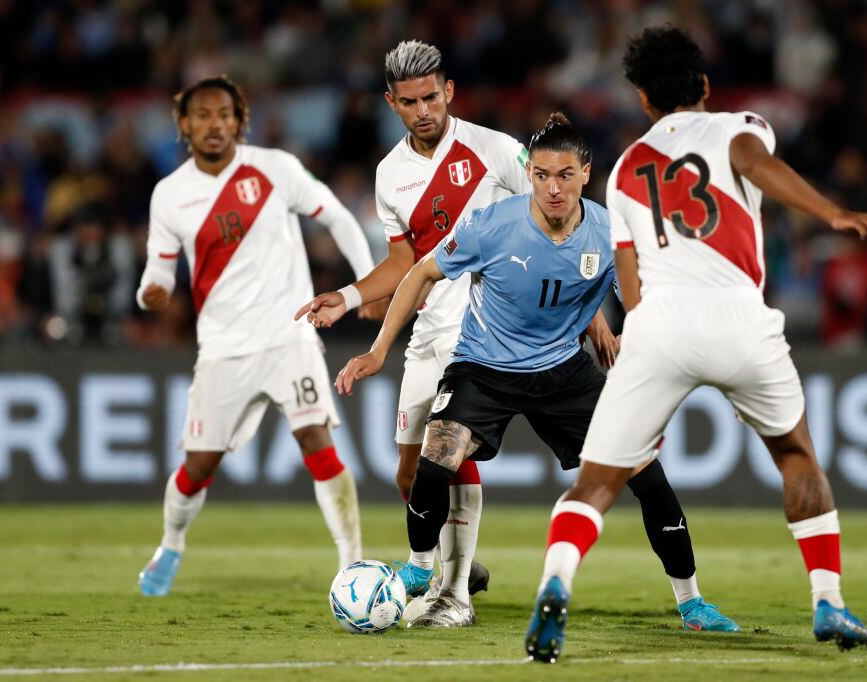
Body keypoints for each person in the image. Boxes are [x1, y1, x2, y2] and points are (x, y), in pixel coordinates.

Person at [525, 26, 867, 662]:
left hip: (660, 323)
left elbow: (629, 277)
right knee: (796, 455)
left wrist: (648, 356)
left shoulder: (627, 167)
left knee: (597, 484)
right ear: (706, 86)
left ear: (642, 99)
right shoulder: (734, 127)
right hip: (740, 318)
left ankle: (555, 584)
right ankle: (827, 598)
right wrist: (832, 214)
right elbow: (756, 164)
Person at [326, 113, 738, 634]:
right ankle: (419, 570)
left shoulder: (611, 233)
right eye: (541, 175)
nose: (552, 188)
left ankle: (692, 602)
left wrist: (621, 333)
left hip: (563, 372)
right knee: (434, 460)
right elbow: (421, 272)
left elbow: (643, 294)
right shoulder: (493, 224)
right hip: (483, 366)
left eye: (565, 175)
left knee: (648, 476)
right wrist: (380, 348)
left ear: (586, 173)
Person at [296, 40, 544, 625]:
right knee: (409, 471)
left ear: (449, 91)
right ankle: (459, 564)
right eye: (409, 102)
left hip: (487, 328)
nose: (423, 110)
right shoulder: (390, 175)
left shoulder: (496, 150)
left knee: (449, 453)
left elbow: (557, 209)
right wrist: (350, 296)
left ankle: (453, 593)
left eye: (431, 96)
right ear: (391, 102)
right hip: (428, 327)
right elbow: (404, 263)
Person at [136, 76, 375, 596]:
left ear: (239, 121)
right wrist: (150, 293)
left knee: (318, 442)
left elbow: (335, 214)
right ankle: (172, 543)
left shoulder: (275, 168)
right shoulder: (170, 194)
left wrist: (366, 283)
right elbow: (156, 271)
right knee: (198, 466)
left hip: (290, 335)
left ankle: (351, 566)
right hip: (223, 347)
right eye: (202, 115)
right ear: (184, 125)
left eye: (225, 114)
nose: (214, 124)